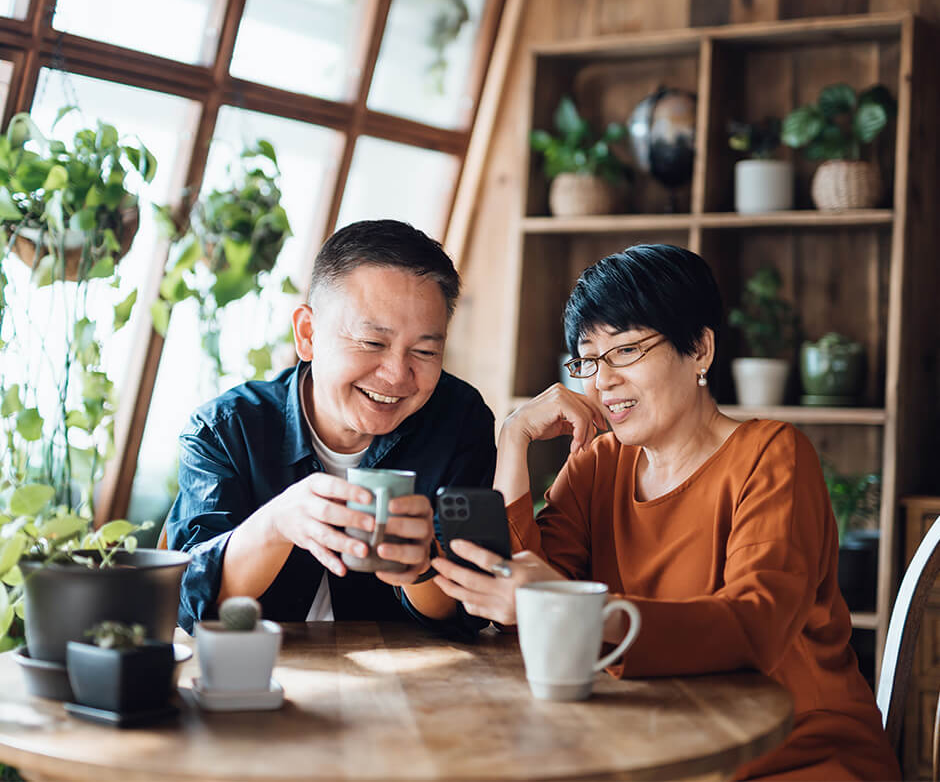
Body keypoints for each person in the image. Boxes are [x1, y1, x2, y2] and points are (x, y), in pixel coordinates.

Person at [432, 244, 900, 781]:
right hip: (656, 745)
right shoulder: (598, 465)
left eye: (627, 350)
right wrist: (513, 441)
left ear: (699, 349)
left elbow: (755, 626)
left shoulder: (772, 455)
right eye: (588, 358)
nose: (602, 381)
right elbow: (519, 609)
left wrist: (567, 609)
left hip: (794, 750)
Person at [167, 219, 496, 637]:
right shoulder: (226, 430)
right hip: (259, 672)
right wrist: (277, 523)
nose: (397, 375)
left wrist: (421, 569)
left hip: (408, 684)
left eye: (425, 350)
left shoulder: (459, 421)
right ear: (307, 334)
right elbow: (194, 606)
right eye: (372, 343)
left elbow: (469, 611)